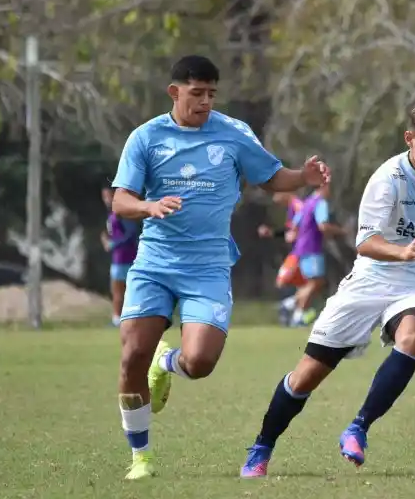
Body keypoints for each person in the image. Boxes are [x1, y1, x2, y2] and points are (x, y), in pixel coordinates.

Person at [239, 100, 415, 478]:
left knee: (413, 337)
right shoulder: (387, 178)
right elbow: (365, 242)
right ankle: (262, 448)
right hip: (371, 279)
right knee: (307, 375)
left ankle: (358, 427)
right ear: (410, 139)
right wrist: (402, 250)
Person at [110, 55, 331, 481]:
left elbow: (270, 178)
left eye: (212, 93)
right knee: (131, 355)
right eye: (197, 93)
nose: (206, 101)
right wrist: (148, 206)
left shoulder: (233, 134)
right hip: (154, 263)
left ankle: (166, 363)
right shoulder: (147, 137)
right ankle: (141, 457)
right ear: (175, 93)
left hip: (208, 267)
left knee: (199, 362)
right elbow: (121, 199)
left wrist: (302, 175)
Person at [283, 183, 348, 327]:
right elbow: (323, 225)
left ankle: (294, 312)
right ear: (323, 187)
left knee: (312, 284)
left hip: (301, 248)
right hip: (312, 248)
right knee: (316, 283)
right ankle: (291, 306)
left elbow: (295, 224)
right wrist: (341, 231)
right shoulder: (320, 203)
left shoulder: (306, 203)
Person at [257, 192, 306, 325]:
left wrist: (297, 234)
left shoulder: (297, 206)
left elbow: (305, 226)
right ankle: (296, 316)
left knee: (283, 281)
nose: (274, 197)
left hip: (301, 252)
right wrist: (272, 233)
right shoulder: (291, 207)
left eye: (276, 191)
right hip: (297, 252)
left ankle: (287, 307)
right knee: (303, 286)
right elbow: (289, 231)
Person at [101, 187, 140, 327]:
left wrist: (112, 244)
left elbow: (131, 233)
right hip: (118, 258)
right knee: (117, 290)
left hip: (126, 258)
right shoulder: (112, 214)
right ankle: (118, 319)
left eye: (108, 196)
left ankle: (125, 319)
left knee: (124, 290)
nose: (106, 200)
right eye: (104, 197)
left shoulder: (121, 213)